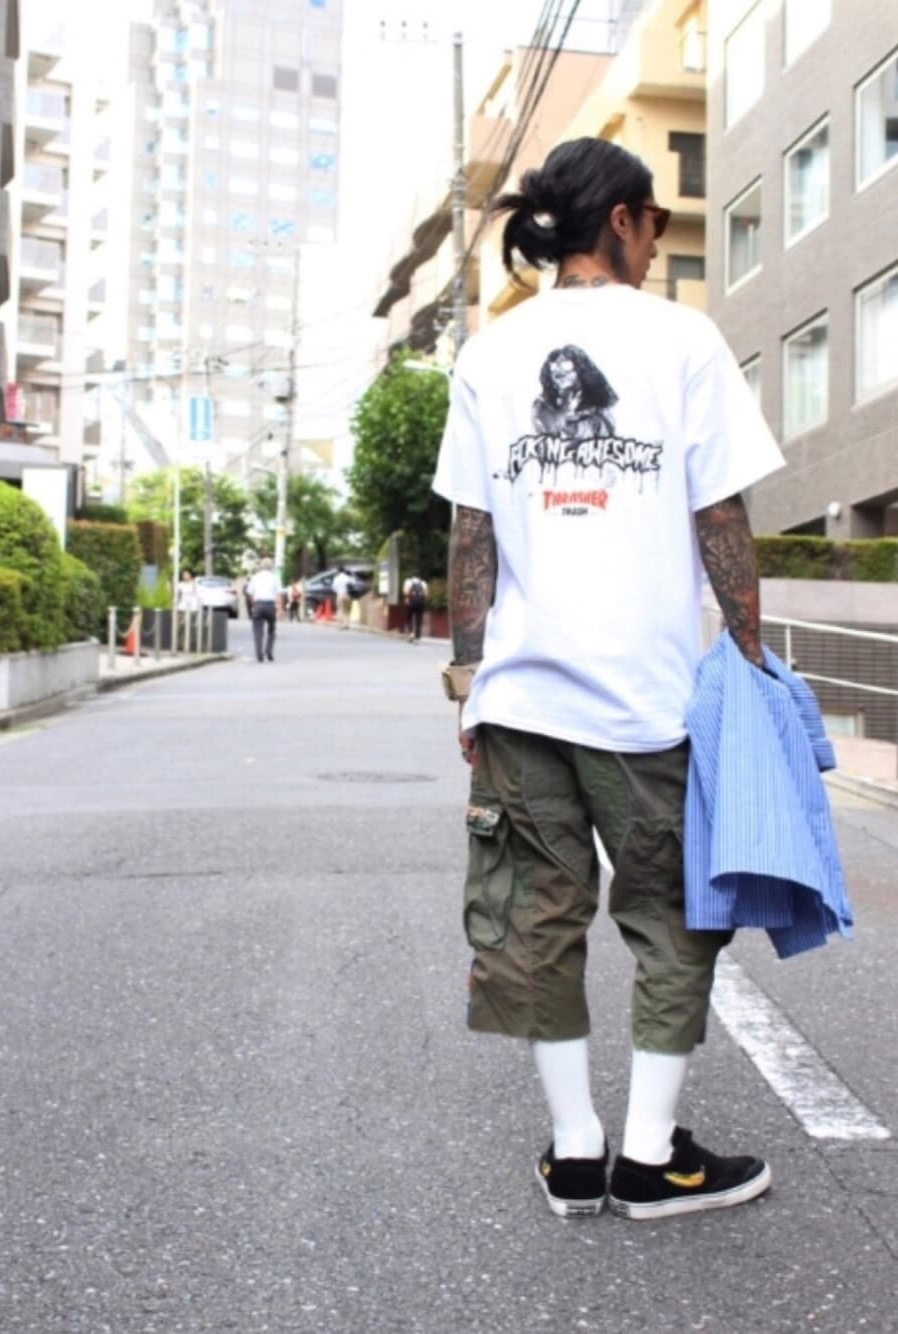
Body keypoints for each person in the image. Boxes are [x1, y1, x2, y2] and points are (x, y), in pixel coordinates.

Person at [433, 136, 785, 1223]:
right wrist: (749, 661)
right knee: (672, 919)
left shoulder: (490, 353)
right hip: (647, 703)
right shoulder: (683, 338)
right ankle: (649, 1155)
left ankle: (576, 1151)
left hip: (522, 701)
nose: (657, 245)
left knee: (532, 919)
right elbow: (720, 517)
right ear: (623, 219)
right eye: (656, 224)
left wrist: (468, 675)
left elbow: (470, 534)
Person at [246, 557, 280, 662]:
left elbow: (250, 593)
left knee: (257, 631)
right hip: (270, 605)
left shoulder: (255, 577)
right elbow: (279, 594)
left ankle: (259, 654)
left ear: (261, 567)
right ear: (271, 567)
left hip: (258, 604)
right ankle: (268, 651)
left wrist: (253, 605)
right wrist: (279, 607)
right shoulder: (275, 578)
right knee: (271, 629)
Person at [403, 574, 428, 643]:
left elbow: (405, 592)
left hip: (410, 603)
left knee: (408, 619)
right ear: (419, 577)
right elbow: (426, 594)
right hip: (420, 604)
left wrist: (409, 597)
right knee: (418, 620)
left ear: (412, 576)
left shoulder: (408, 582)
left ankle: (411, 634)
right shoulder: (423, 583)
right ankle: (417, 637)